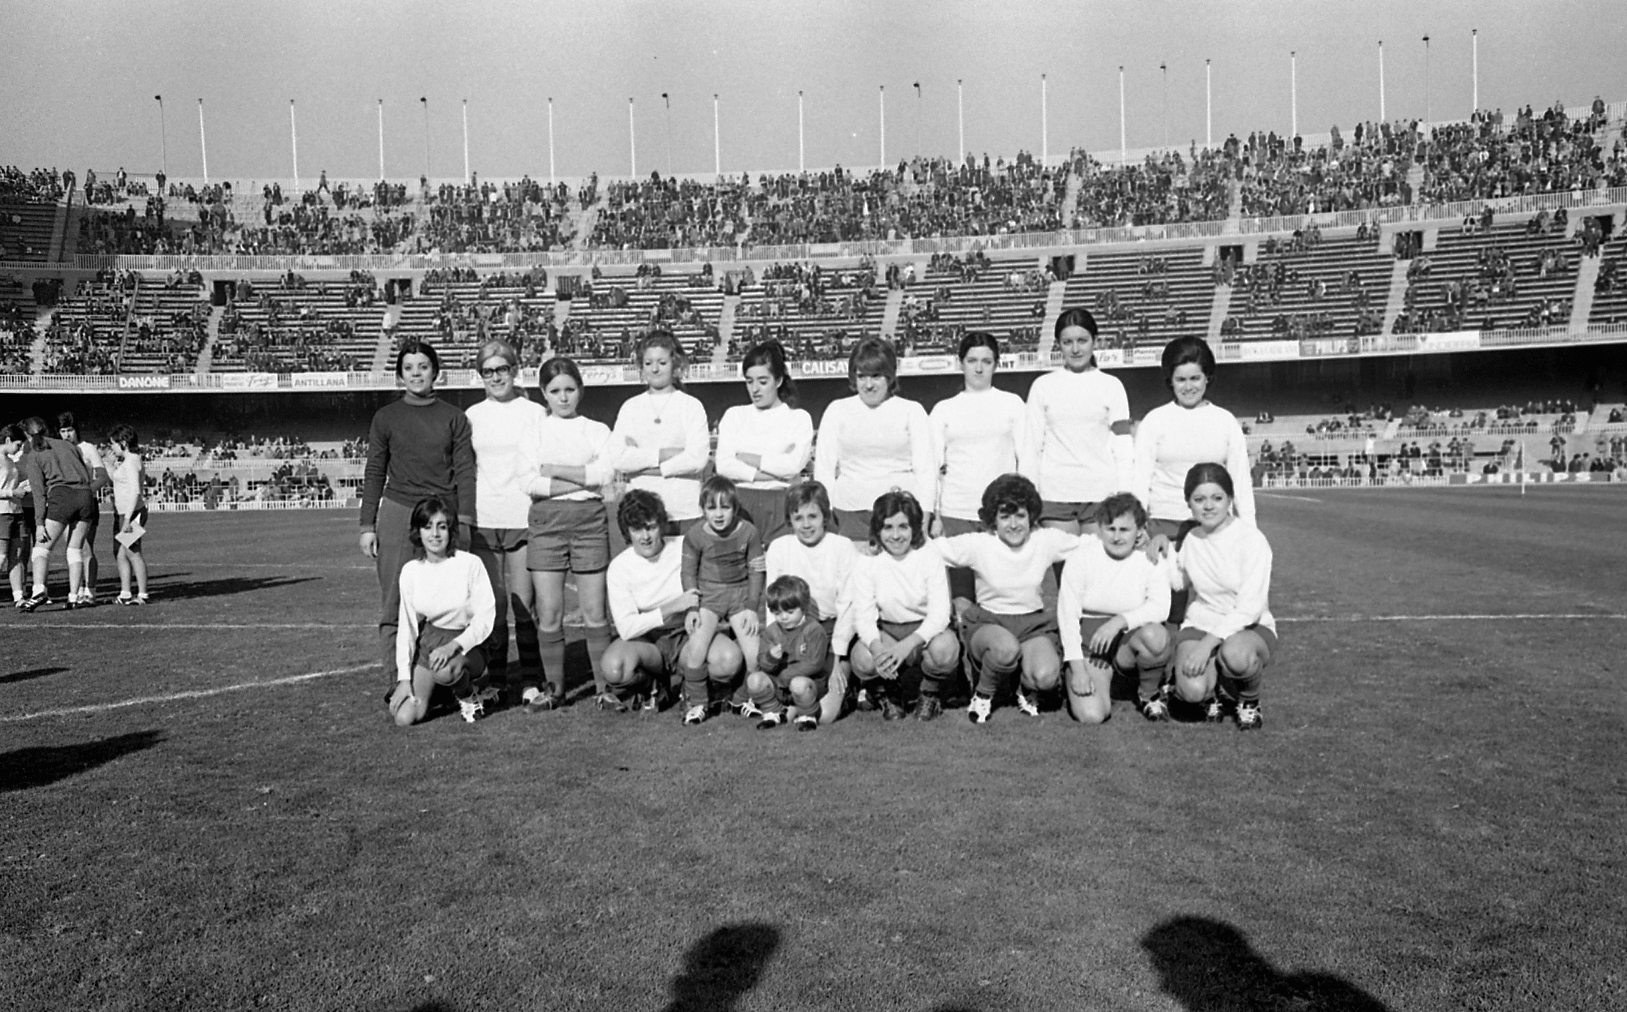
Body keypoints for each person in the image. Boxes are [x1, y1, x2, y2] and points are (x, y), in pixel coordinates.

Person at [359, 340, 477, 699]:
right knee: (395, 601)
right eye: (408, 368)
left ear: (435, 371)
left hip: (442, 514)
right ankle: (397, 682)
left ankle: (441, 676)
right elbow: (375, 470)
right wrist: (367, 525)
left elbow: (465, 471)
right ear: (399, 375)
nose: (416, 374)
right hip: (398, 513)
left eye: (423, 367)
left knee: (448, 602)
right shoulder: (386, 417)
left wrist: (464, 521)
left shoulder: (455, 418)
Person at [934, 473, 1079, 724]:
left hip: (1032, 625)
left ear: (1031, 516)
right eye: (1005, 517)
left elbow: (1090, 545)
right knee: (1005, 648)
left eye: (1020, 516)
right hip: (989, 623)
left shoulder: (1045, 540)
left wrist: (1138, 539)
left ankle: (1024, 687)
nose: (1013, 525)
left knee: (1046, 677)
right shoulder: (979, 543)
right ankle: (983, 695)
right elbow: (929, 550)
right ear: (993, 519)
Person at [517, 356, 618, 712]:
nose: (563, 397)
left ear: (581, 391)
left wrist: (554, 471)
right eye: (555, 390)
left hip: (589, 522)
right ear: (543, 393)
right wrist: (582, 479)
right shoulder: (534, 432)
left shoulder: (597, 429)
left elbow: (605, 474)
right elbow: (528, 481)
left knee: (595, 612)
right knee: (549, 613)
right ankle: (555, 690)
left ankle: (605, 688)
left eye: (570, 389)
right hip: (546, 524)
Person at [1132, 335, 1255, 623]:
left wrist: (1249, 534)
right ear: (1170, 380)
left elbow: (1240, 482)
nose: (1188, 387)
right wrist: (1137, 526)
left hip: (1213, 528)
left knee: (1215, 609)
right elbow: (1139, 477)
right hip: (1166, 527)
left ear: (1207, 377)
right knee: (1167, 613)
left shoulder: (1225, 421)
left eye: (1195, 378)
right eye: (1181, 379)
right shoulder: (1155, 420)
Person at [601, 489, 745, 712]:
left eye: (651, 527)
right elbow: (627, 628)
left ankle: (694, 685)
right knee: (615, 668)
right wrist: (671, 607)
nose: (645, 536)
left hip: (688, 634)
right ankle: (653, 685)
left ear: (662, 525)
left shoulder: (684, 546)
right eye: (637, 530)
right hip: (648, 641)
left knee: (729, 660)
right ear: (627, 532)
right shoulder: (620, 567)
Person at [463, 339, 547, 697]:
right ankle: (495, 681)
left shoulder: (534, 413)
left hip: (522, 517)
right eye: (488, 371)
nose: (496, 377)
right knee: (493, 607)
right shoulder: (472, 415)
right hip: (484, 519)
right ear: (480, 375)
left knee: (523, 605)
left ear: (515, 370)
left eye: (502, 369)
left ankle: (531, 680)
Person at [929, 331, 1034, 609]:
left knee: (1000, 595)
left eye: (986, 361)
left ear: (996, 364)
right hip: (956, 512)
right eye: (972, 360)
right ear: (960, 363)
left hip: (1000, 514)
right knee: (961, 600)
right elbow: (932, 467)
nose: (979, 368)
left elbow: (1027, 459)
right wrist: (935, 514)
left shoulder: (1012, 404)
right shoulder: (943, 410)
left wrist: (1025, 508)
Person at [1169, 463, 1278, 731]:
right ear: (1188, 503)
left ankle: (1249, 700)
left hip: (1248, 627)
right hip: (1202, 622)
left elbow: (1250, 608)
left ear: (1230, 500)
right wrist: (1161, 549)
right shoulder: (1192, 538)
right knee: (1192, 691)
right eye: (1199, 499)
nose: (1208, 506)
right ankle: (1211, 691)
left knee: (1236, 656)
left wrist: (1206, 645)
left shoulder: (1251, 540)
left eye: (1217, 498)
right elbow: (1178, 581)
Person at [1056, 494, 1173, 724]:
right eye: (1111, 529)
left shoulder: (1149, 558)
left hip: (1127, 638)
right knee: (1091, 715)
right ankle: (1084, 676)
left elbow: (1161, 607)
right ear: (1099, 528)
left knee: (1155, 636)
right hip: (1090, 641)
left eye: (1125, 529)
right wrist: (1078, 670)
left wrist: (1119, 622)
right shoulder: (1081, 557)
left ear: (1139, 530)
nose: (1117, 537)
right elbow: (1067, 615)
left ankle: (1149, 694)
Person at [848, 490, 960, 721]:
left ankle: (930, 693)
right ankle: (889, 692)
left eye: (903, 527)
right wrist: (878, 650)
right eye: (888, 527)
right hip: (888, 630)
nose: (896, 535)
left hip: (924, 632)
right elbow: (863, 617)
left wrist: (906, 646)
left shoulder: (929, 555)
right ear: (878, 530)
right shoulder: (867, 560)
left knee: (945, 649)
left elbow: (940, 615)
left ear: (914, 528)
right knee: (863, 658)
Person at [814, 337, 936, 541]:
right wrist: (827, 513)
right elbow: (824, 469)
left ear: (890, 376)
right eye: (862, 376)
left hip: (900, 514)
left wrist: (924, 519)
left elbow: (926, 470)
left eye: (876, 376)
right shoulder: (837, 410)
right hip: (849, 513)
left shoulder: (912, 411)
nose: (868, 385)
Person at [387, 498, 495, 727]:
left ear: (451, 530)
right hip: (431, 642)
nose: (435, 534)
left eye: (442, 526)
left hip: (467, 644)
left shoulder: (470, 563)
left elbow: (485, 619)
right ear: (418, 532)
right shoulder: (410, 571)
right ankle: (445, 693)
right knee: (405, 718)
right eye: (427, 527)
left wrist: (453, 646)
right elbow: (407, 628)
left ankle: (468, 695)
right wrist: (404, 679)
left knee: (444, 671)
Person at [1026, 308, 1132, 537]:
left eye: (1082, 341)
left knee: (1095, 559)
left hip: (1101, 494)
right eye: (1067, 342)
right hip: (1055, 494)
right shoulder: (1042, 386)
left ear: (1095, 341)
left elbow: (1122, 446)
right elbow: (1031, 447)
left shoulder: (1112, 386)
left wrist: (1125, 497)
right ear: (1058, 345)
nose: (1075, 349)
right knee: (1064, 559)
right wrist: (1029, 498)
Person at [764, 481, 857, 726]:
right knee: (789, 705)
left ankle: (846, 687)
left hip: (831, 633)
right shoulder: (779, 548)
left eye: (813, 516)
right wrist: (776, 644)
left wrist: (837, 661)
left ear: (825, 516)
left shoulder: (842, 547)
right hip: (793, 633)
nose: (806, 525)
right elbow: (773, 605)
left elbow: (848, 605)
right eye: (798, 518)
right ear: (790, 520)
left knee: (824, 716)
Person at [677, 475, 765, 725]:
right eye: (711, 507)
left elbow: (756, 570)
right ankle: (697, 702)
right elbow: (687, 572)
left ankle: (744, 698)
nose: (718, 514)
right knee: (696, 650)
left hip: (739, 596)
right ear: (702, 509)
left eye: (725, 507)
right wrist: (692, 607)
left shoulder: (749, 532)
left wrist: (751, 607)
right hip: (708, 597)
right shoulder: (695, 535)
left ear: (735, 508)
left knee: (754, 654)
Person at [714, 339, 813, 551]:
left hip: (783, 503)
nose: (755, 389)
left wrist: (748, 458)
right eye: (749, 381)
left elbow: (793, 466)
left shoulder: (798, 418)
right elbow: (723, 465)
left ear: (778, 380)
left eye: (762, 381)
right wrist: (775, 472)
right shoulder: (735, 415)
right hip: (741, 503)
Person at [612, 330, 710, 533]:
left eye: (662, 363)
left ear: (675, 364)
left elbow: (697, 460)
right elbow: (618, 459)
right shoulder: (630, 407)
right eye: (648, 363)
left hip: (685, 510)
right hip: (643, 513)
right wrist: (666, 454)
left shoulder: (691, 406)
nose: (655, 369)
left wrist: (640, 466)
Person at [17, 417, 96, 612]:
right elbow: (86, 473)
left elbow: (38, 493)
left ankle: (38, 591)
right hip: (85, 496)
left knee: (41, 549)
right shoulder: (68, 445)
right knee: (75, 550)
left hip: (62, 496)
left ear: (27, 435)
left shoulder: (34, 454)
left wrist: (39, 523)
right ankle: (73, 597)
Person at [745, 575, 830, 731]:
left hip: (807, 682)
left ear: (803, 608)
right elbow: (762, 662)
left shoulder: (813, 630)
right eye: (778, 613)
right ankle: (773, 712)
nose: (784, 617)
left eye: (790, 612)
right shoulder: (772, 631)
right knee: (754, 680)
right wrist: (771, 658)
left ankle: (808, 715)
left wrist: (786, 676)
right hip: (779, 683)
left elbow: (814, 663)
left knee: (799, 684)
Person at [56, 412, 110, 606]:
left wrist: (86, 492)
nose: (67, 435)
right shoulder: (57, 450)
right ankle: (77, 590)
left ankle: (90, 591)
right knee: (71, 549)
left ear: (76, 430)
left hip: (86, 503)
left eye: (70, 430)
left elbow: (102, 477)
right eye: (63, 431)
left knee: (85, 548)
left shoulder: (88, 448)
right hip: (65, 504)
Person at [105, 424, 149, 605]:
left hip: (132, 513)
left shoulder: (131, 462)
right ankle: (125, 593)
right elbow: (118, 479)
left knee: (132, 553)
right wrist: (109, 465)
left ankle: (142, 594)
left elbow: (134, 491)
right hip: (127, 513)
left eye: (114, 444)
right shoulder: (129, 460)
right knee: (121, 553)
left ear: (123, 442)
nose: (112, 448)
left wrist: (127, 519)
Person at [0, 424, 27, 606]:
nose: (19, 449)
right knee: (1, 556)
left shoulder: (10, 461)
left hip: (16, 511)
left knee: (16, 556)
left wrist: (23, 487)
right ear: (8, 440)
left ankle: (19, 597)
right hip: (2, 513)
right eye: (17, 445)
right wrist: (12, 492)